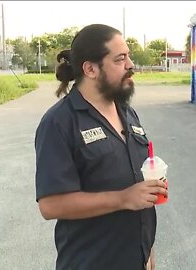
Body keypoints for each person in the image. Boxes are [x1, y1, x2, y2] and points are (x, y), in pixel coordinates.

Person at [34, 24, 168, 270]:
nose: (130, 65)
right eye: (120, 59)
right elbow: (50, 205)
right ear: (90, 69)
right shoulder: (59, 122)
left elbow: (139, 197)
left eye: (128, 56)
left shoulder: (127, 113)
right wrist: (123, 198)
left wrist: (148, 258)